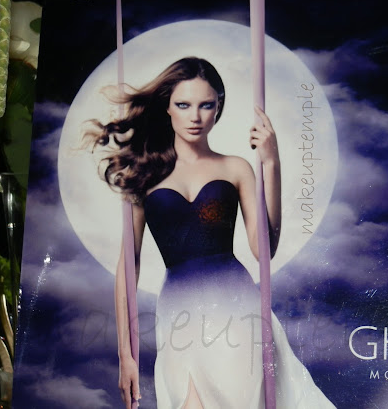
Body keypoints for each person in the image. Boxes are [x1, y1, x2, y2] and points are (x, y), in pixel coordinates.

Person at [85, 57, 334, 408]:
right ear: (167, 107)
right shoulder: (141, 175)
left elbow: (264, 251)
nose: (195, 116)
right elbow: (128, 267)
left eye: (206, 105)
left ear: (218, 108)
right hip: (179, 314)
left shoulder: (236, 168)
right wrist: (126, 355)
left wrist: (271, 163)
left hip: (237, 308)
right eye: (183, 105)